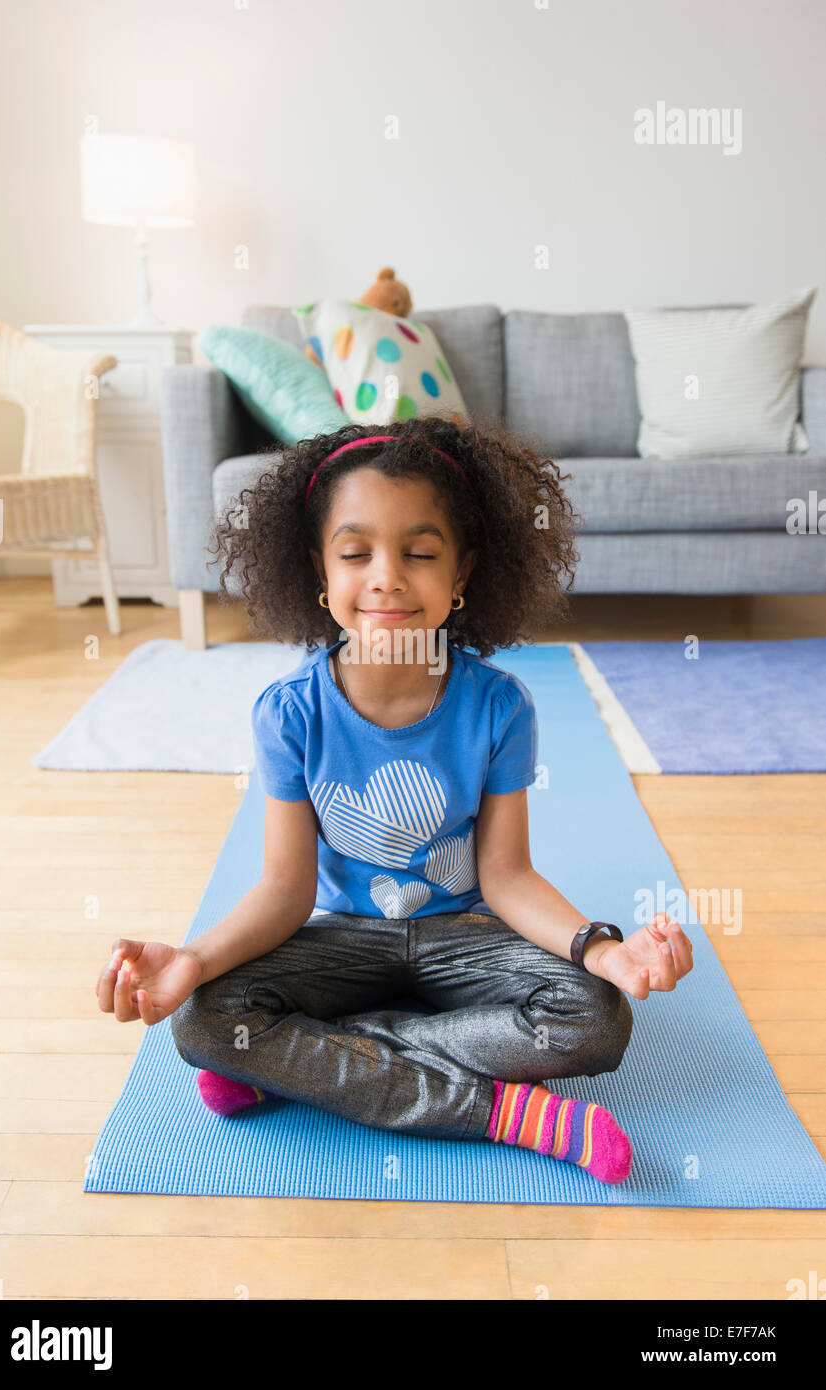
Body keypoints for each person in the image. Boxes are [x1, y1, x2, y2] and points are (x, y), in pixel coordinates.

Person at [96, 414, 693, 1185]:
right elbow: (285, 889)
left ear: (462, 572)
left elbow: (507, 877)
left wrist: (603, 950)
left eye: (418, 553)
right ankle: (506, 1114)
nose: (385, 576)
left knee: (596, 1016)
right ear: (318, 569)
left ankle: (309, 1058)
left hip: (461, 938)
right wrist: (191, 959)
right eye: (354, 553)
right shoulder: (290, 713)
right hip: (343, 938)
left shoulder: (499, 708)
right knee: (205, 1017)